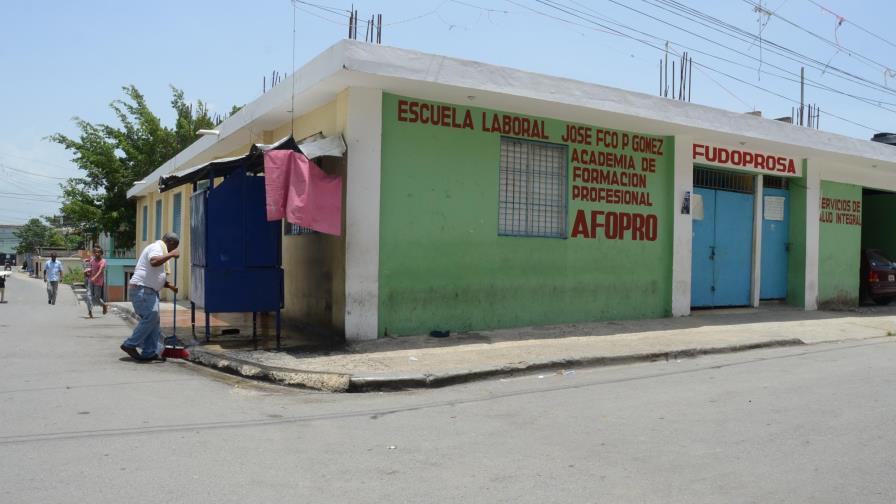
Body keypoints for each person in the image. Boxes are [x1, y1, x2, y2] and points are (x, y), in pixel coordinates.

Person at [120, 232, 180, 362]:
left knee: (154, 321)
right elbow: (154, 262)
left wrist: (170, 286)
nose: (172, 250)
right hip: (142, 289)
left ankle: (149, 352)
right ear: (170, 243)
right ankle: (130, 344)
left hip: (148, 290)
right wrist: (171, 254)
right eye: (173, 247)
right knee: (151, 316)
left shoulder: (159, 249)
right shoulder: (157, 248)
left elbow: (153, 275)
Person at [86, 247, 107, 318]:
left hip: (98, 282)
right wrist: (87, 272)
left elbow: (100, 270)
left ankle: (103, 305)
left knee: (96, 298)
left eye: (98, 252)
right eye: (95, 252)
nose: (96, 253)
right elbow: (90, 268)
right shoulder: (92, 260)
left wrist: (95, 277)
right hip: (90, 280)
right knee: (88, 295)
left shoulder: (103, 261)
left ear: (101, 253)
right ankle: (90, 312)